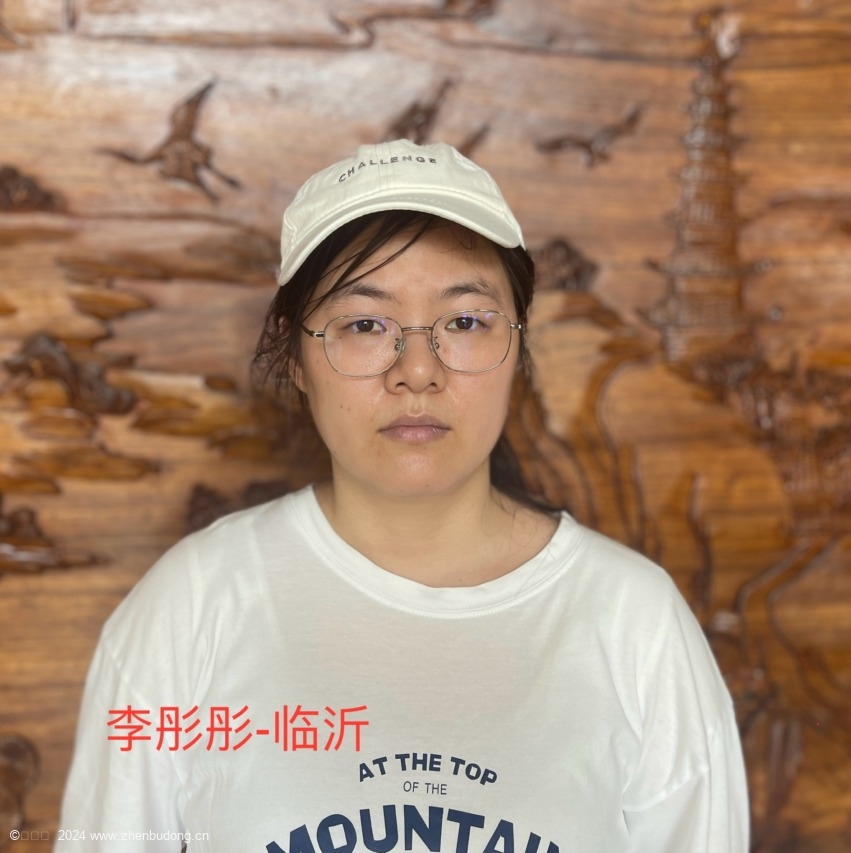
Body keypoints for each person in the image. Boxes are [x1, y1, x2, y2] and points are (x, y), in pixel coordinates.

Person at [56, 139, 749, 852]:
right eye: (365, 325)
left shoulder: (633, 622)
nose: (417, 370)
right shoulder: (193, 607)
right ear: (296, 358)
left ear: (517, 346)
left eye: (465, 322)